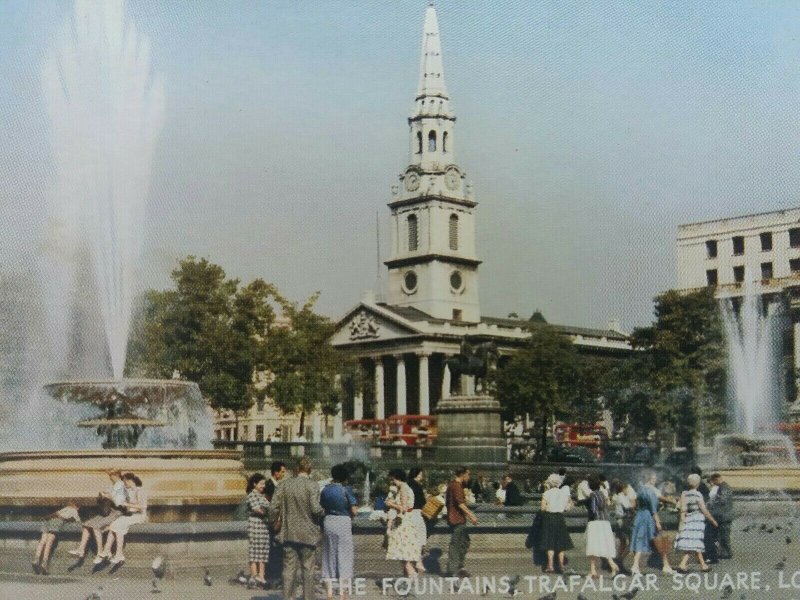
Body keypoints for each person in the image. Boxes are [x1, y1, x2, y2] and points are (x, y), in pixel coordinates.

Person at [269, 457, 324, 600]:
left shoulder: (284, 485)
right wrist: (325, 512)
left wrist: (272, 523)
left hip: (289, 533)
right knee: (308, 570)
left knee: (288, 569)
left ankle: (288, 598)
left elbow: (273, 508)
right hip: (308, 534)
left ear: (297, 469)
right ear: (309, 470)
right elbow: (315, 508)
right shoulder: (313, 485)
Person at [69, 469, 127, 560]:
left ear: (115, 476)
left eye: (110, 476)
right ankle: (81, 549)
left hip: (117, 513)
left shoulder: (121, 486)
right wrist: (102, 495)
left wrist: (109, 497)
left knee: (96, 526)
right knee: (87, 523)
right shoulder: (113, 486)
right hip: (108, 511)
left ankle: (100, 552)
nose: (110, 478)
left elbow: (120, 503)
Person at [320, 464, 357, 600]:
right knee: (345, 556)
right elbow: (354, 510)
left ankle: (329, 593)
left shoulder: (325, 490)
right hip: (343, 521)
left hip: (329, 521)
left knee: (328, 555)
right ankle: (343, 593)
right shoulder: (347, 490)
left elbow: (322, 507)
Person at [629, 472, 673, 574]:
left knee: (640, 540)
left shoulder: (640, 490)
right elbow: (653, 510)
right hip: (648, 518)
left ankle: (635, 566)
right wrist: (658, 522)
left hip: (639, 516)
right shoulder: (651, 492)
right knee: (659, 540)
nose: (655, 480)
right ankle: (665, 566)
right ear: (649, 479)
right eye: (654, 479)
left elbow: (634, 505)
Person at [674, 473, 718, 573]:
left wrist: (682, 521)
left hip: (688, 520)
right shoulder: (698, 495)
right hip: (697, 521)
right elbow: (704, 510)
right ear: (698, 483)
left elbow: (682, 508)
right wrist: (713, 520)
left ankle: (702, 565)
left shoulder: (684, 494)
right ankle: (684, 564)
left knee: (693, 542)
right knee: (695, 542)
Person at [102, 473, 147, 565]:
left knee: (118, 525)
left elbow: (142, 506)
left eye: (125, 481)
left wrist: (127, 504)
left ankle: (118, 554)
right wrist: (110, 497)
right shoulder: (129, 491)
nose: (124, 483)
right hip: (130, 515)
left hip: (139, 516)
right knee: (113, 526)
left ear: (130, 481)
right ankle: (107, 550)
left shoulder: (140, 491)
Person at [384, 468, 421, 577]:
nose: (392, 482)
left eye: (392, 480)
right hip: (406, 520)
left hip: (404, 521)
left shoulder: (404, 488)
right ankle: (408, 576)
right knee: (403, 549)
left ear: (396, 478)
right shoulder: (403, 488)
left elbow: (403, 508)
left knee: (400, 548)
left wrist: (391, 504)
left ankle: (411, 573)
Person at [445, 466, 478, 577]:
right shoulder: (456, 486)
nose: (469, 477)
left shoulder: (453, 485)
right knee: (457, 544)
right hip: (457, 519)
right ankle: (453, 570)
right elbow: (460, 504)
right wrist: (471, 515)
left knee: (464, 542)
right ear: (463, 474)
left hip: (456, 518)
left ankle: (459, 567)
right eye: (468, 474)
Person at [537, 473, 573, 573]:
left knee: (550, 542)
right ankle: (561, 565)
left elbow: (542, 508)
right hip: (560, 517)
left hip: (549, 518)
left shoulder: (547, 493)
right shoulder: (563, 493)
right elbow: (569, 506)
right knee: (560, 542)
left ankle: (550, 565)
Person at [585, 475, 619, 578]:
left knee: (592, 545)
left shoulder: (592, 495)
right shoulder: (602, 494)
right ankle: (612, 565)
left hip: (595, 522)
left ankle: (593, 570)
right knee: (604, 545)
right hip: (605, 522)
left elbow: (593, 510)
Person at [33, 501, 81, 575]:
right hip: (57, 522)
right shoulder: (74, 510)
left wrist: (47, 517)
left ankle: (36, 559)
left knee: (42, 541)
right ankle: (44, 564)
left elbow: (56, 513)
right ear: (77, 507)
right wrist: (66, 520)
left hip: (48, 521)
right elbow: (77, 521)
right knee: (49, 543)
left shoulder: (66, 508)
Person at [244, 473, 270, 588]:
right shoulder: (252, 495)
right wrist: (267, 511)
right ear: (254, 484)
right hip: (255, 525)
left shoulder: (261, 496)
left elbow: (266, 508)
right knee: (255, 551)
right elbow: (259, 510)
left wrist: (267, 510)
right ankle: (254, 576)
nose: (263, 486)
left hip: (263, 526)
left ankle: (261, 576)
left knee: (263, 551)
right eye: (261, 484)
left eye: (264, 484)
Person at [265, 461, 288, 588]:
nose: (284, 474)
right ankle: (274, 577)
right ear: (276, 473)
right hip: (274, 523)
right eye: (283, 471)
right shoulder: (270, 486)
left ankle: (276, 576)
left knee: (277, 550)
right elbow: (271, 506)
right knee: (274, 550)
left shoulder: (277, 485)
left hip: (277, 522)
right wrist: (275, 521)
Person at [706, 473, 733, 561]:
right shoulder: (723, 487)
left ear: (716, 479)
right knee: (722, 535)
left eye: (713, 481)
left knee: (724, 535)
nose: (712, 484)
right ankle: (724, 552)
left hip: (725, 515)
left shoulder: (724, 487)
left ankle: (727, 553)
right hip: (724, 515)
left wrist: (714, 499)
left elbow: (723, 500)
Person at [407, 468, 428, 573]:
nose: (422, 477)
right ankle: (418, 561)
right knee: (421, 537)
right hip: (416, 513)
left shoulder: (407, 484)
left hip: (408, 513)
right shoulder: (416, 485)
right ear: (417, 475)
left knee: (412, 538)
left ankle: (411, 563)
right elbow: (422, 502)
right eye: (421, 475)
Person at [610, 479, 633, 571]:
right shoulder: (621, 497)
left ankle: (619, 561)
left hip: (620, 521)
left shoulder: (617, 496)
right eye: (627, 489)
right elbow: (628, 506)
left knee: (623, 542)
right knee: (631, 542)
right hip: (623, 521)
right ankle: (620, 559)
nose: (628, 491)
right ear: (623, 489)